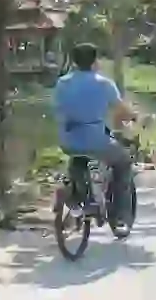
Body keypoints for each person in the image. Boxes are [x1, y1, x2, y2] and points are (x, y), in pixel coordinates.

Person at [52, 43, 138, 224]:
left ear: (74, 62)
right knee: (123, 163)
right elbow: (122, 111)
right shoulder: (104, 84)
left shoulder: (62, 83)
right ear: (95, 61)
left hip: (68, 140)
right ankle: (120, 215)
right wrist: (134, 117)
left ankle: (78, 195)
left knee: (77, 156)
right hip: (96, 141)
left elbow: (58, 110)